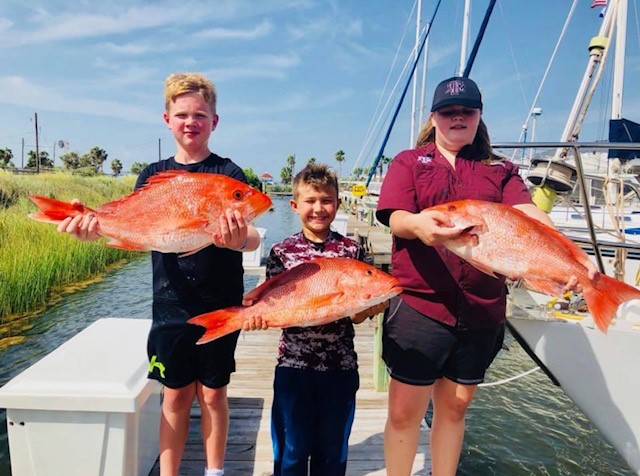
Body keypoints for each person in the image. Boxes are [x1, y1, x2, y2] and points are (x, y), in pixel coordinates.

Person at [375, 76, 598, 476]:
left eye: (467, 110)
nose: (457, 117)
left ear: (479, 116)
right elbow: (395, 216)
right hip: (421, 306)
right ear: (434, 117)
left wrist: (575, 258)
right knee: (404, 410)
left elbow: (531, 217)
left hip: (481, 310)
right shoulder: (408, 162)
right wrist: (422, 227)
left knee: (456, 407)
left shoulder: (502, 170)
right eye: (448, 111)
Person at [57, 72, 262, 476]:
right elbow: (133, 220)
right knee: (174, 396)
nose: (191, 122)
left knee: (215, 395)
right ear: (166, 119)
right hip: (169, 305)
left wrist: (238, 239)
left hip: (221, 304)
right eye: (182, 114)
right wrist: (93, 227)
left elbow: (253, 238)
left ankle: (215, 471)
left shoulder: (230, 174)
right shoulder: (152, 174)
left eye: (200, 114)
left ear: (214, 121)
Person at [244, 163, 387, 476]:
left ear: (337, 203)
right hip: (294, 368)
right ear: (295, 205)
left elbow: (358, 314)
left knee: (332, 456)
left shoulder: (351, 250)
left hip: (341, 367)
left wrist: (373, 304)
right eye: (310, 201)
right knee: (291, 455)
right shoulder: (282, 251)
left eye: (326, 200)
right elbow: (276, 304)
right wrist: (258, 315)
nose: (318, 208)